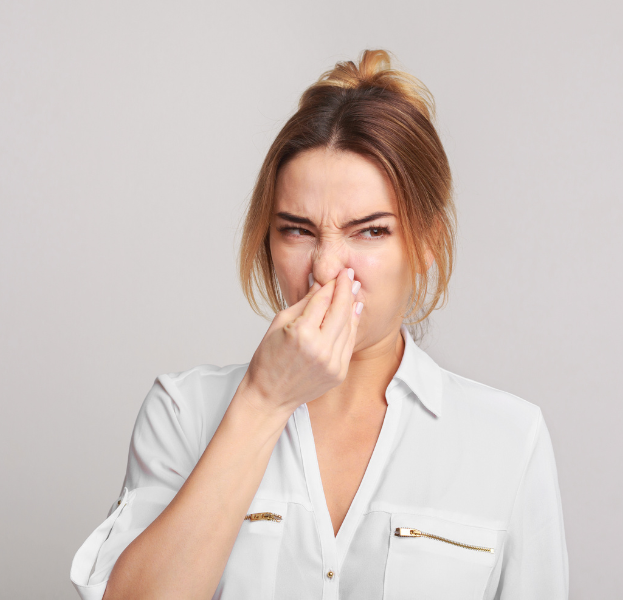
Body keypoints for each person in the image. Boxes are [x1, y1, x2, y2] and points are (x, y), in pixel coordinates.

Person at [69, 49, 569, 600]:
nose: (327, 267)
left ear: (426, 242)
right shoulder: (182, 413)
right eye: (297, 230)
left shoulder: (508, 439)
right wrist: (263, 401)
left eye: (370, 231)